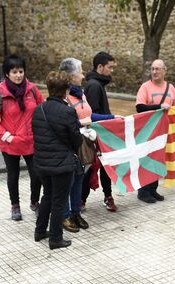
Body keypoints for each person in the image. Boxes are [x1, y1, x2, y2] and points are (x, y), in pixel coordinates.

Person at [0, 54, 44, 221]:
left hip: (32, 141)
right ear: (7, 74)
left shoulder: (32, 89)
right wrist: (6, 136)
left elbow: (43, 110)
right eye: (14, 72)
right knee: (13, 175)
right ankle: (15, 206)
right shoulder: (0, 93)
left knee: (37, 174)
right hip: (10, 143)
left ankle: (34, 202)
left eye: (21, 71)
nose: (18, 75)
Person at [59, 57, 112, 232]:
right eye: (80, 71)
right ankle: (65, 216)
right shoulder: (62, 96)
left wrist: (110, 118)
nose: (83, 75)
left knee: (79, 180)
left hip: (84, 144)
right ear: (70, 75)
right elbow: (68, 122)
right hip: (70, 145)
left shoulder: (80, 93)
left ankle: (75, 212)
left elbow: (89, 115)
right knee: (68, 181)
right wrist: (84, 122)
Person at [32, 71, 82, 250]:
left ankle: (39, 231)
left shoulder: (39, 110)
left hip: (42, 163)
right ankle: (55, 238)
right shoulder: (68, 111)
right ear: (66, 91)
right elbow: (76, 140)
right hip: (62, 164)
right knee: (59, 201)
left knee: (47, 196)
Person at [135, 59, 175, 203]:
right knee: (147, 159)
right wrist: (159, 106)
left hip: (164, 131)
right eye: (152, 69)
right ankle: (143, 192)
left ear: (164, 71)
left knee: (158, 159)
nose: (154, 72)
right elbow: (140, 107)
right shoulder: (145, 87)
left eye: (157, 69)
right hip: (148, 130)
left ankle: (153, 189)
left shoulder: (170, 88)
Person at [84, 51, 118, 211]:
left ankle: (107, 196)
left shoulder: (98, 84)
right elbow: (90, 114)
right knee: (91, 167)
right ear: (100, 67)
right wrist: (112, 117)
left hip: (102, 134)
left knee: (105, 166)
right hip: (96, 135)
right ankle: (81, 200)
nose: (111, 71)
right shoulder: (94, 85)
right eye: (109, 67)